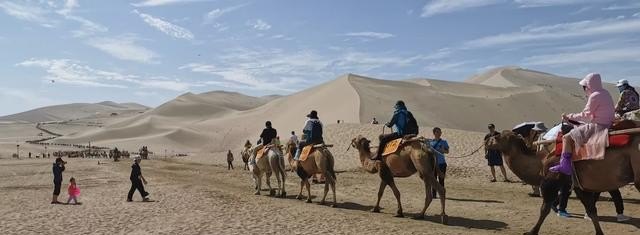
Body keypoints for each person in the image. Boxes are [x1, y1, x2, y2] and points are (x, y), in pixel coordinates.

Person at [550, 73, 615, 175]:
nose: (584, 89)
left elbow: (586, 115)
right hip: (608, 124)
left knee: (566, 138)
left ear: (589, 85)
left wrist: (569, 117)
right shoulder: (605, 93)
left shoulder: (594, 96)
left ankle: (565, 166)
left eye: (584, 87)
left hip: (598, 126)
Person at [430, 127, 449, 198]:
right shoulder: (430, 142)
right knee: (433, 180)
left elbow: (447, 151)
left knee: (441, 180)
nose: (439, 133)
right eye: (438, 132)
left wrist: (442, 150)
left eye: (440, 132)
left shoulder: (444, 142)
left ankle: (441, 194)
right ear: (434, 133)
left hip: (442, 164)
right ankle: (433, 195)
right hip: (433, 164)